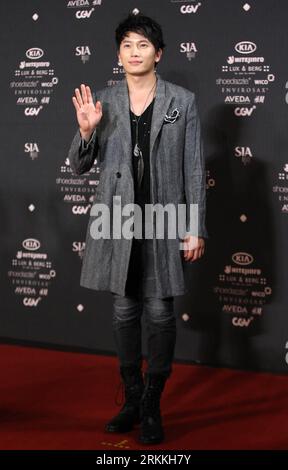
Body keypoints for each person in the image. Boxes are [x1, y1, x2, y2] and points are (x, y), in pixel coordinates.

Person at [68, 11, 208, 445]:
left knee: (161, 313)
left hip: (163, 221)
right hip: (118, 221)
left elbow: (193, 167)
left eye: (143, 44)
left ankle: (152, 400)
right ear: (119, 53)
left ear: (158, 53)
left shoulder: (181, 101)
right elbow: (79, 164)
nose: (134, 52)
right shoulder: (104, 100)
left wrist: (194, 226)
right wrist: (86, 131)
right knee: (124, 311)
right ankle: (131, 397)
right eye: (127, 45)